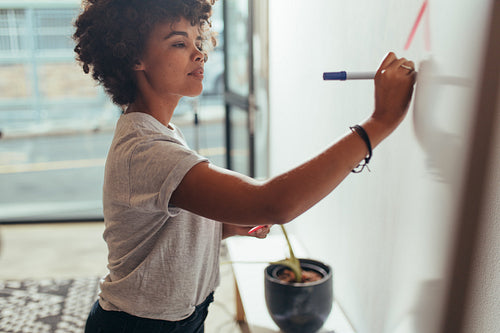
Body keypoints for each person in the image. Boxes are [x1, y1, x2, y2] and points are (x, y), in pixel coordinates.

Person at [74, 0, 416, 332]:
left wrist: (223, 226)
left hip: (178, 318)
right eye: (179, 43)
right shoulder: (146, 149)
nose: (199, 53)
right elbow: (273, 202)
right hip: (138, 325)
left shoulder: (158, 130)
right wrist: (380, 122)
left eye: (198, 40)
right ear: (133, 56)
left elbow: (160, 233)